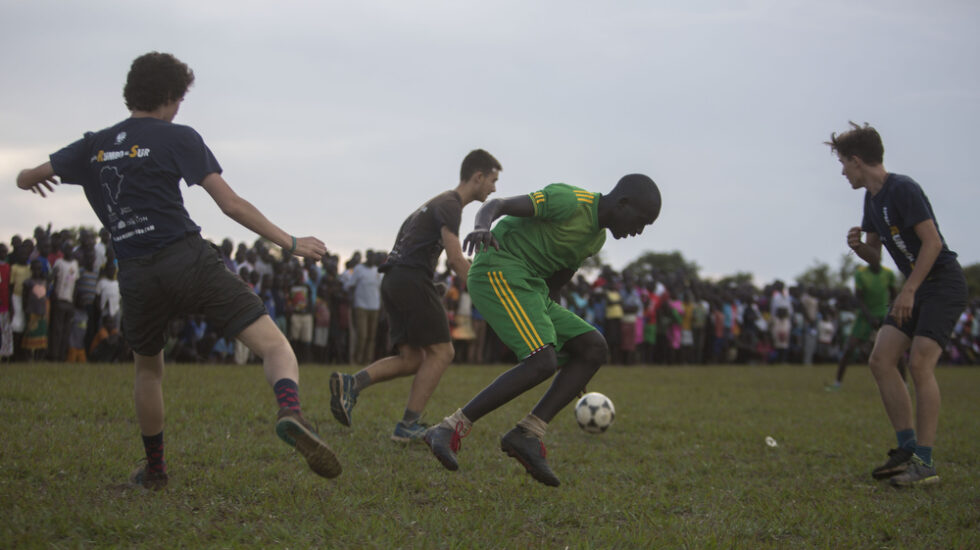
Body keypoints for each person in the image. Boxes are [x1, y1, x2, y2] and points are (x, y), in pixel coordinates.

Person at [15, 51, 341, 489]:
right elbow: (231, 204)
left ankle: (155, 471)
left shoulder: (93, 145)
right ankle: (290, 410)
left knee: (148, 371)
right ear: (169, 96)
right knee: (275, 346)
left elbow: (26, 176)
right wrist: (291, 242)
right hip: (187, 259)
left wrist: (31, 179)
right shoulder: (178, 137)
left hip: (134, 272)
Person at [424, 173, 661, 486]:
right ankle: (450, 427)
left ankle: (528, 433)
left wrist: (570, 355)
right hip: (499, 269)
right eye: (641, 221)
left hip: (532, 288)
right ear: (623, 203)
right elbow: (497, 205)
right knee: (541, 361)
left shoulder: (596, 239)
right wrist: (482, 228)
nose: (638, 231)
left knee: (592, 347)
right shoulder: (570, 201)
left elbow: (556, 282)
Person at [827, 121, 967, 487]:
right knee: (880, 359)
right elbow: (876, 257)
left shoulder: (903, 189)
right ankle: (906, 448)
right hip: (917, 285)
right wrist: (859, 247)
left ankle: (925, 462)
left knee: (920, 363)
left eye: (843, 163)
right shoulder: (871, 199)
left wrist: (908, 290)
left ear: (857, 161)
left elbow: (933, 244)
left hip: (942, 285)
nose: (842, 172)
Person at [329, 149, 501, 442]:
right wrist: (490, 296)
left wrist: (428, 283)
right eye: (493, 180)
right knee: (443, 352)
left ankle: (351, 384)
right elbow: (457, 259)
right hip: (410, 280)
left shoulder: (431, 204)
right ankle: (408, 426)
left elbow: (406, 247)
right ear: (478, 176)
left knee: (412, 358)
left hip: (395, 280)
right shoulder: (451, 205)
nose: (494, 188)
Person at [827, 260, 903, 390]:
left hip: (883, 315)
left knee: (896, 349)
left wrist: (891, 312)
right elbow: (859, 298)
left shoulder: (888, 273)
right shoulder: (861, 273)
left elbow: (893, 295)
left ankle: (904, 383)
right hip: (864, 316)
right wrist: (869, 318)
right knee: (849, 348)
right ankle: (837, 383)